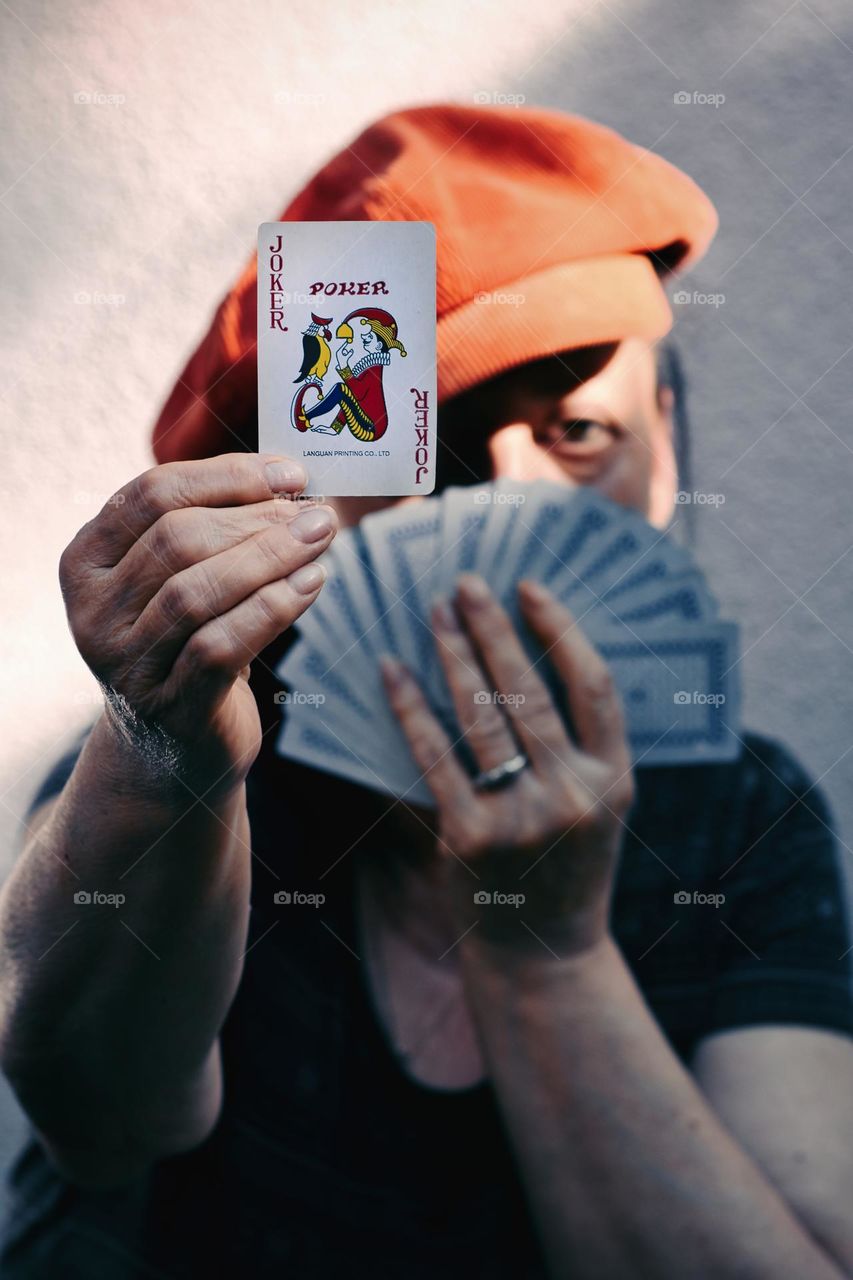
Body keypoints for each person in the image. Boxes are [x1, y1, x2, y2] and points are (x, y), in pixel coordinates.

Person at [0, 103, 851, 1280]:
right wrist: (165, 752)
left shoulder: (743, 821)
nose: (515, 506)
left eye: (578, 429)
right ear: (299, 501)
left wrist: (543, 947)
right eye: (441, 450)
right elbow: (101, 1125)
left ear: (667, 438)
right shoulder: (201, 770)